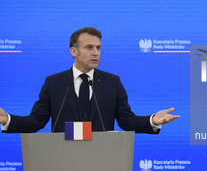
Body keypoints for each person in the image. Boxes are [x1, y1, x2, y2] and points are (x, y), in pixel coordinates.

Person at [0, 27, 179, 133]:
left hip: (102, 159)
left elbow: (126, 121)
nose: (96, 52)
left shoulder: (112, 82)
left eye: (98, 48)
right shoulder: (54, 83)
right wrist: (6, 119)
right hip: (62, 158)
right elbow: (36, 121)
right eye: (89, 47)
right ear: (74, 51)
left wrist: (152, 120)